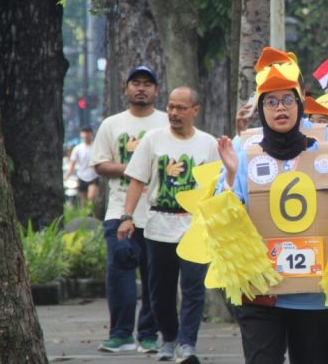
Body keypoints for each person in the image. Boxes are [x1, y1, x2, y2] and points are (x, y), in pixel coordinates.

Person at [217, 47, 328, 364]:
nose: (280, 108)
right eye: (271, 101)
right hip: (261, 293)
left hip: (315, 295)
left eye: (288, 99)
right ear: (261, 108)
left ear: (300, 102)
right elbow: (223, 220)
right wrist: (230, 176)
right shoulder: (243, 150)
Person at [117, 87, 219, 363]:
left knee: (193, 289)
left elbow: (216, 186)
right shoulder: (153, 139)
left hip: (194, 227)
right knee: (160, 291)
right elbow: (137, 180)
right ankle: (169, 338)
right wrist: (127, 217)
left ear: (195, 111)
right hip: (159, 225)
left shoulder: (208, 144)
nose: (174, 113)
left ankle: (187, 344)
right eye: (171, 107)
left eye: (181, 108)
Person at [90, 65, 165, 353]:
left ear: (156, 90)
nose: (141, 88)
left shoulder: (165, 123)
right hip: (119, 212)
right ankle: (121, 334)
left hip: (158, 214)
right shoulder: (112, 124)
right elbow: (99, 164)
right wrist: (134, 168)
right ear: (126, 89)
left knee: (154, 279)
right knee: (120, 274)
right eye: (136, 83)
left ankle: (148, 335)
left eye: (147, 84)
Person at [66, 127, 99, 205]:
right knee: (83, 202)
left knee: (92, 197)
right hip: (82, 176)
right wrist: (67, 175)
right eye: (84, 133)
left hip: (94, 176)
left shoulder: (96, 147)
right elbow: (72, 163)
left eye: (88, 133)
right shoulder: (78, 148)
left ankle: (92, 210)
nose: (86, 136)